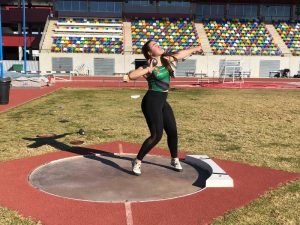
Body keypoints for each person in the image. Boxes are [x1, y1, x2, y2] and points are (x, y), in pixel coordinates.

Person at [128, 40, 202, 176]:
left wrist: (196, 48)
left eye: (157, 43)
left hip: (162, 101)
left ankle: (174, 159)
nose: (158, 45)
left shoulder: (166, 59)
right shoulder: (147, 65)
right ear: (150, 53)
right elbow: (131, 75)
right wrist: (147, 70)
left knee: (173, 131)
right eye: (154, 45)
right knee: (156, 135)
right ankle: (137, 161)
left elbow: (181, 54)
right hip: (151, 101)